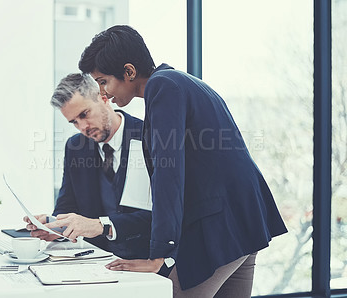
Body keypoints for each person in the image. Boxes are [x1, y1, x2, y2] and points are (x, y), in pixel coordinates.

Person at [77, 25, 288, 298]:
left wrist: (159, 256)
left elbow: (169, 172)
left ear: (129, 71)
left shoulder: (162, 86)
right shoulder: (182, 82)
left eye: (103, 81)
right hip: (244, 221)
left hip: (220, 226)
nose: (103, 94)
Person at [25, 73, 152, 260]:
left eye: (84, 114)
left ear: (104, 98)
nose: (82, 127)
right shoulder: (75, 147)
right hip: (98, 260)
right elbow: (67, 205)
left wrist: (103, 225)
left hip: (147, 259)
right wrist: (56, 227)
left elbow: (163, 214)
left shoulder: (147, 137)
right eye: (74, 122)